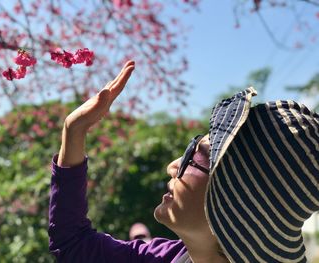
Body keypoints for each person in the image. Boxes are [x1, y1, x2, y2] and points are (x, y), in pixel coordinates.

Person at [48, 61, 319, 262]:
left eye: (195, 156)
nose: (173, 165)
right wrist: (73, 132)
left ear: (234, 202)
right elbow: (74, 244)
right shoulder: (167, 257)